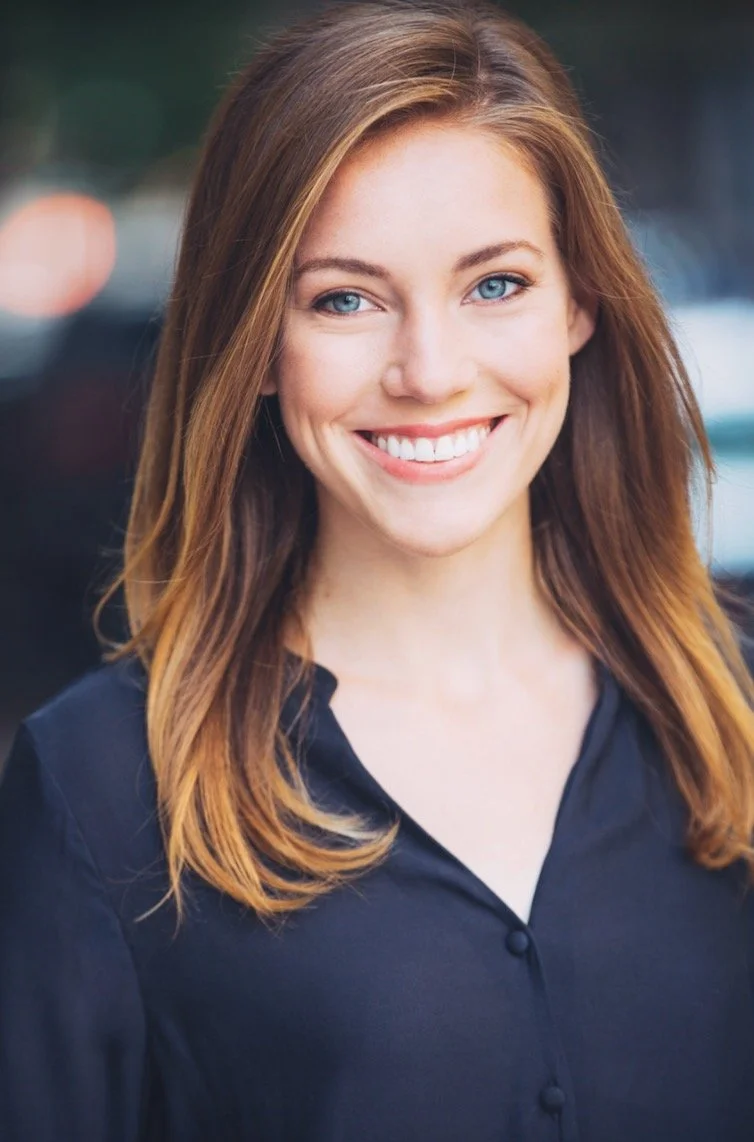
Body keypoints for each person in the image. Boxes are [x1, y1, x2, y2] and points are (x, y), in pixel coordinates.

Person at [1, 1, 753, 1138]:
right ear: (255, 342)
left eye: (495, 283)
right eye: (344, 298)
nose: (429, 370)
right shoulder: (101, 787)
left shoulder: (733, 708)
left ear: (580, 303)